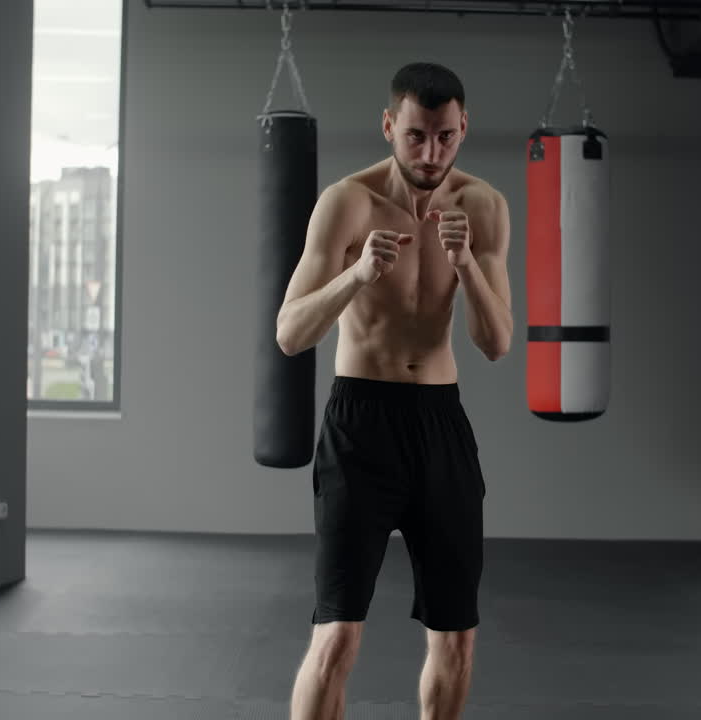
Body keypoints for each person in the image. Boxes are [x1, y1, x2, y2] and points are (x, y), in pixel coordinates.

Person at [275, 62, 512, 720]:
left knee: (457, 638)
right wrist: (357, 275)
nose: (430, 153)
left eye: (444, 137)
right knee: (337, 637)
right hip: (361, 425)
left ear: (464, 128)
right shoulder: (347, 202)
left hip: (440, 427)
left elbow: (496, 343)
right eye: (415, 137)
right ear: (389, 126)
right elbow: (291, 334)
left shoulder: (484, 208)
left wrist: (465, 265)